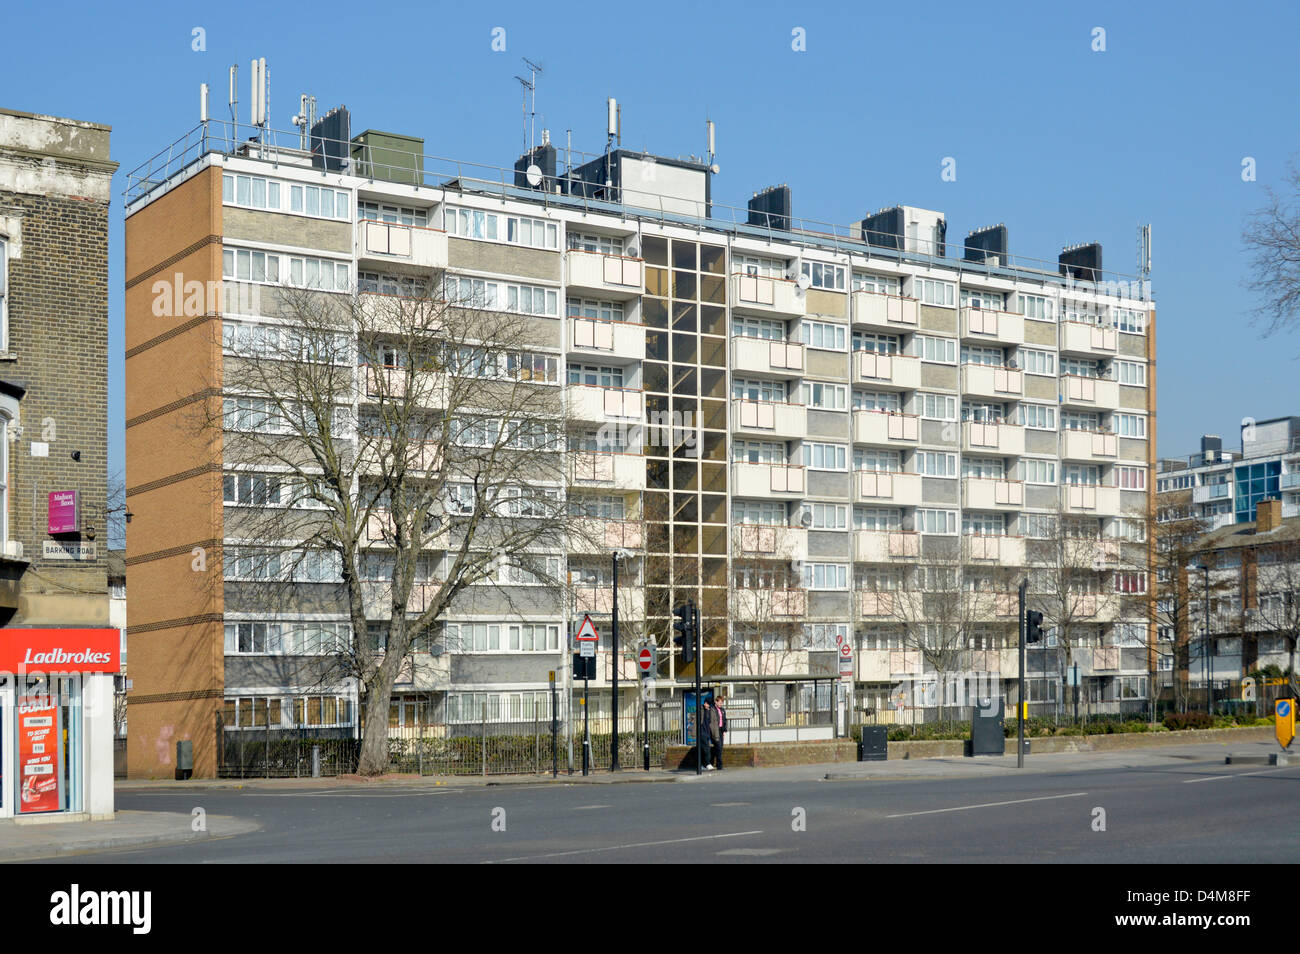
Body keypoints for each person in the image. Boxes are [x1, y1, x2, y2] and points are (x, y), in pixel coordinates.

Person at [697, 696, 714, 770]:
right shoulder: (701, 709)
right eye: (706, 703)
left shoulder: (710, 711)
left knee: (703, 749)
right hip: (702, 732)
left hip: (707, 733)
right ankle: (707, 763)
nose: (706, 705)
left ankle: (702, 765)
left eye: (708, 704)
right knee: (707, 748)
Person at [712, 694, 727, 770]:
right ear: (716, 702)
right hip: (716, 730)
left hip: (721, 730)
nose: (721, 704)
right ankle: (719, 765)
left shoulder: (723, 710)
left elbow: (724, 720)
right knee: (718, 747)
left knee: (720, 747)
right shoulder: (713, 709)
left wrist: (724, 731)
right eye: (720, 702)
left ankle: (717, 763)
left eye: (722, 702)